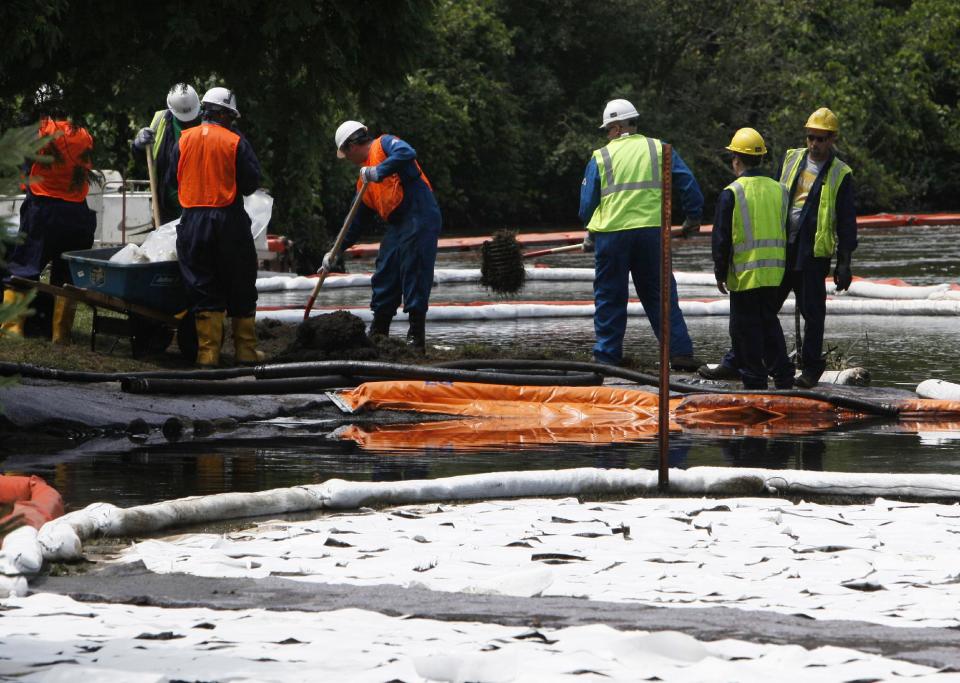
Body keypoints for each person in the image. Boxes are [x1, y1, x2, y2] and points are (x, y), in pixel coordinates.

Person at [699, 107, 857, 388]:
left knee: (813, 312)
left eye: (821, 139)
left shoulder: (840, 173)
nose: (814, 144)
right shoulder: (793, 158)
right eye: (811, 138)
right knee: (763, 309)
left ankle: (810, 368)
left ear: (832, 139)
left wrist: (844, 261)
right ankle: (740, 361)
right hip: (782, 249)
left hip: (812, 252)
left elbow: (846, 220)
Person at [579, 98, 704, 370]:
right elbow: (688, 183)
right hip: (652, 234)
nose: (607, 134)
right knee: (661, 294)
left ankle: (606, 357)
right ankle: (680, 353)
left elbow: (587, 205)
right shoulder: (659, 148)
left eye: (608, 129)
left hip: (612, 236)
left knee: (610, 296)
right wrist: (693, 218)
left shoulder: (601, 156)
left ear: (616, 126)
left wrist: (591, 233)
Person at [330, 120, 442, 351]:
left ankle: (416, 337)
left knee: (415, 269)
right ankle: (380, 332)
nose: (347, 158)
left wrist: (379, 171)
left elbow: (407, 152)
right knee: (385, 271)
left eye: (345, 152)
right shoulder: (364, 181)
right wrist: (334, 251)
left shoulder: (384, 144)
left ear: (351, 145)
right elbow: (353, 223)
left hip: (420, 214)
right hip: (398, 224)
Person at [171, 86, 263, 366]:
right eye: (231, 117)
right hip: (227, 220)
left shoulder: (183, 140)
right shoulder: (235, 142)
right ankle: (246, 351)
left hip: (193, 223)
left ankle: (207, 353)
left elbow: (172, 181)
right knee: (240, 280)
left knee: (201, 283)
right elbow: (250, 184)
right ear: (224, 114)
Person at [2, 86, 96, 343]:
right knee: (66, 277)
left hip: (43, 211)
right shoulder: (84, 134)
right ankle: (60, 334)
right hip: (77, 214)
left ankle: (12, 328)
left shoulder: (40, 132)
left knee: (24, 267)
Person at [711, 127, 793, 389]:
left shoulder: (732, 192)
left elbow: (722, 239)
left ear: (736, 159)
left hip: (745, 275)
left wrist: (720, 272)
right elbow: (788, 229)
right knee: (769, 324)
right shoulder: (780, 190)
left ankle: (755, 380)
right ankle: (783, 376)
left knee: (744, 331)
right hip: (775, 273)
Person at [132, 84, 201, 224]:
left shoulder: (207, 123)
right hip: (167, 208)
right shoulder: (160, 121)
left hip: (199, 207)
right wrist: (138, 146)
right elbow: (147, 160)